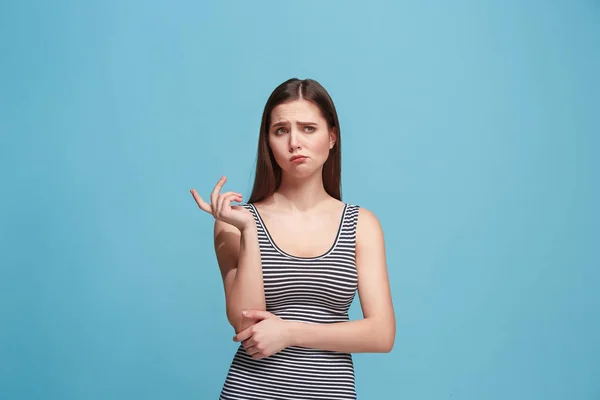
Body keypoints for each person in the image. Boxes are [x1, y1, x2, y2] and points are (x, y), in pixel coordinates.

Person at [190, 78, 395, 399]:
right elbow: (245, 324)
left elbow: (382, 335)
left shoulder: (361, 225)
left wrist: (289, 332)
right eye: (281, 130)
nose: (294, 142)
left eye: (308, 128)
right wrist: (249, 231)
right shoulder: (236, 223)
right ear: (268, 142)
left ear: (332, 137)